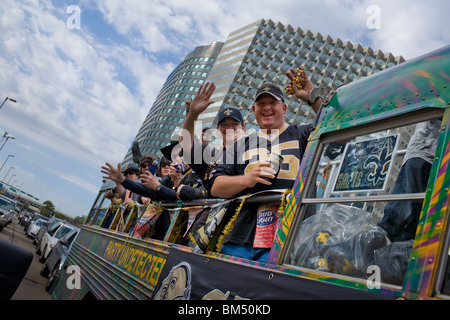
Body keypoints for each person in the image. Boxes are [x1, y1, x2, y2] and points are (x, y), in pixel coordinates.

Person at [203, 68, 323, 262]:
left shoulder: (302, 133)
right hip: (242, 237)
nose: (267, 108)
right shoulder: (241, 144)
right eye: (261, 103)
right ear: (253, 110)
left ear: (284, 108)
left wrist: (311, 96)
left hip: (291, 235)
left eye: (273, 102)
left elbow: (339, 127)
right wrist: (247, 179)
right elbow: (215, 187)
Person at [378, 119, 441, 242]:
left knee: (410, 213)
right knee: (405, 210)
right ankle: (376, 243)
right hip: (426, 153)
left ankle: (389, 250)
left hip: (423, 154)